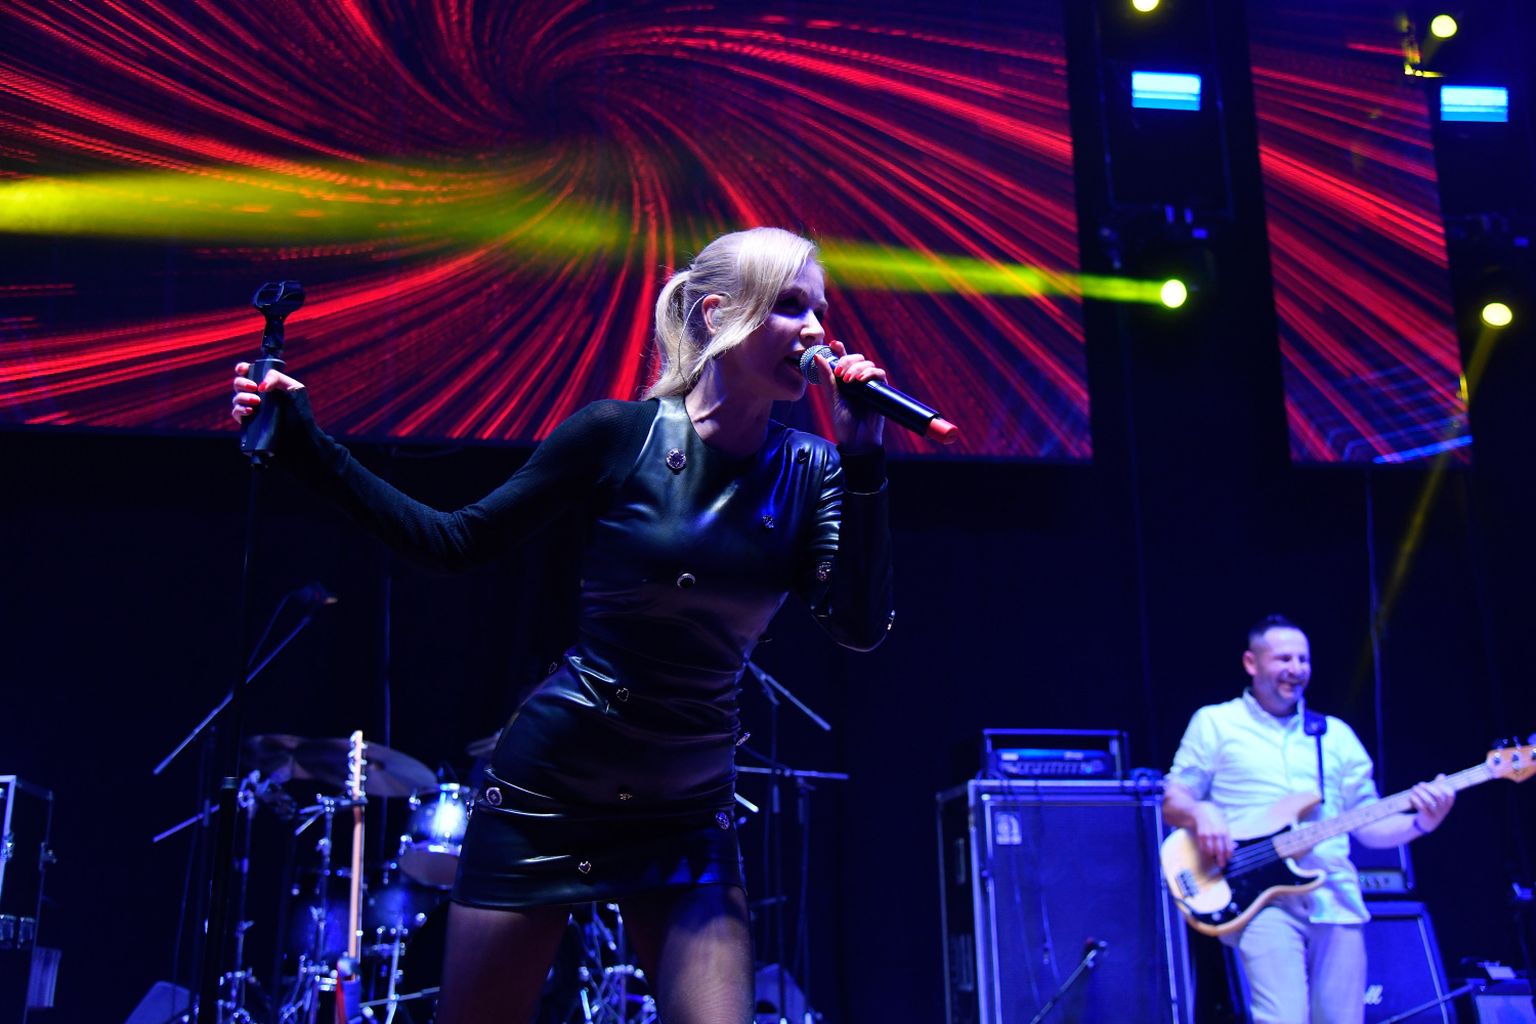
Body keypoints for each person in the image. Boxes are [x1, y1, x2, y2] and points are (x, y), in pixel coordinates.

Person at [230, 227, 895, 1023]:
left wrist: (865, 464)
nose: (818, 331)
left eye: (820, 310)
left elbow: (857, 625)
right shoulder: (619, 435)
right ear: (721, 315)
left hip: (687, 810)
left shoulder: (813, 469)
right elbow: (455, 541)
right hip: (548, 792)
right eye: (790, 306)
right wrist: (312, 451)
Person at [1162, 614, 1455, 1024]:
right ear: (1251, 663)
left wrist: (1422, 822)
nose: (1296, 669)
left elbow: (1369, 826)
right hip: (1262, 900)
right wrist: (1202, 811)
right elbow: (1174, 798)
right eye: (1284, 658)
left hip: (1335, 899)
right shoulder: (1216, 723)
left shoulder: (1335, 736)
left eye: (1303, 659)